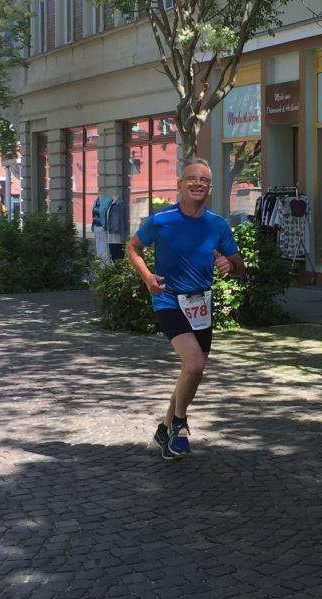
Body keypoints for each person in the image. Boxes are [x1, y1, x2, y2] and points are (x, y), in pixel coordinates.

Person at [126, 157, 245, 460]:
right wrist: (148, 277)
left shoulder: (217, 225)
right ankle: (179, 424)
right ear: (180, 184)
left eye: (204, 180)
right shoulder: (162, 221)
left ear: (210, 188)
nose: (198, 183)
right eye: (192, 178)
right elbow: (133, 247)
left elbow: (239, 265)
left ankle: (163, 430)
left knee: (190, 372)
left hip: (200, 304)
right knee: (194, 365)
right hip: (168, 299)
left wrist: (229, 265)